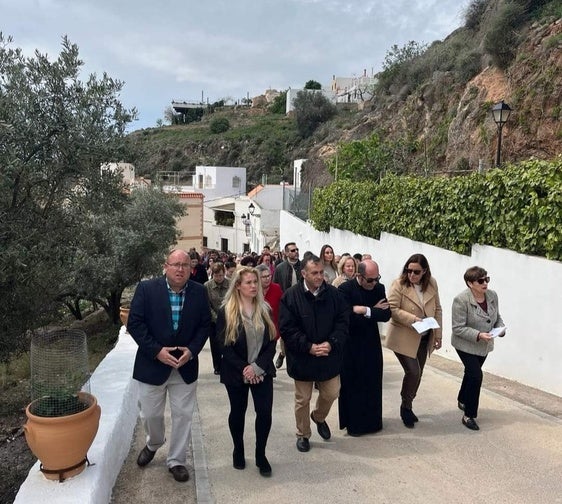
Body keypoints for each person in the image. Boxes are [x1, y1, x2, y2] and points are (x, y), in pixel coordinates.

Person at [127, 249, 211, 482]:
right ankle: (154, 443)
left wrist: (192, 351)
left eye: (185, 264)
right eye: (175, 264)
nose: (180, 269)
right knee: (151, 415)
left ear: (191, 268)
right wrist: (156, 351)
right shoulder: (147, 289)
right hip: (152, 365)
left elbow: (205, 325)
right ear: (166, 266)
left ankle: (176, 460)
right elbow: (135, 323)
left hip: (184, 367)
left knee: (183, 416)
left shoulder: (199, 291)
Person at [279, 254, 349, 452]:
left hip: (329, 356)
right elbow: (287, 329)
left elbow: (343, 322)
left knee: (332, 392)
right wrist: (308, 346)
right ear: (303, 274)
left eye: (321, 272)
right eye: (314, 273)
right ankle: (303, 434)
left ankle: (318, 417)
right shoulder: (291, 296)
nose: (320, 277)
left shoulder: (334, 295)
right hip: (302, 357)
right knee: (303, 399)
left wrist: (331, 343)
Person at [216, 266, 277, 476]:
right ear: (238, 286)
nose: (253, 286)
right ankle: (238, 450)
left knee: (265, 413)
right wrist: (245, 368)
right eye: (248, 282)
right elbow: (224, 347)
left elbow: (271, 343)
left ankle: (261, 455)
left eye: (255, 282)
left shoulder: (265, 309)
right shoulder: (227, 311)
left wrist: (257, 367)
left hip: (261, 371)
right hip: (236, 372)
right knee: (238, 412)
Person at [385, 254, 442, 428]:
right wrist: (413, 319)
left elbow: (438, 308)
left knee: (419, 372)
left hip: (424, 337)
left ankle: (408, 404)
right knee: (413, 371)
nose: (412, 275)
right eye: (408, 270)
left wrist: (438, 334)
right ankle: (406, 406)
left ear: (424, 271)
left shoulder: (432, 283)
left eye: (416, 272)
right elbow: (392, 308)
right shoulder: (399, 284)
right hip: (404, 335)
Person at [337, 260, 391, 436]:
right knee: (352, 384)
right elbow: (346, 318)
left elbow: (385, 314)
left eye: (377, 279)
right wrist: (369, 311)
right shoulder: (345, 290)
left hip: (371, 342)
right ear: (359, 276)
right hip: (351, 344)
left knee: (372, 382)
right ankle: (354, 425)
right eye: (370, 280)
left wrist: (364, 310)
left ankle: (373, 422)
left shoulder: (379, 288)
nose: (374, 283)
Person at [452, 266, 506, 431]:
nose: (485, 283)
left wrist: (501, 328)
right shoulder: (461, 300)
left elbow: (497, 317)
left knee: (471, 373)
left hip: (484, 345)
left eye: (486, 279)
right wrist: (479, 334)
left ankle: (462, 398)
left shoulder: (492, 295)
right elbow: (458, 328)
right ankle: (469, 415)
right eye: (481, 281)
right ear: (470, 283)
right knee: (476, 376)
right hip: (465, 345)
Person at [272, 242, 302, 369]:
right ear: (286, 253)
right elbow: (275, 285)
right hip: (285, 305)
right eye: (293, 250)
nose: (296, 252)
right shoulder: (280, 268)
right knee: (285, 331)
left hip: (301, 304)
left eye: (297, 249)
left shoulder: (304, 266)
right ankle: (283, 353)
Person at [204, 262, 230, 375]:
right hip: (214, 321)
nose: (219, 278)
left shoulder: (230, 284)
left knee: (229, 342)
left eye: (221, 275)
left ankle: (229, 363)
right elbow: (206, 305)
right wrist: (217, 318)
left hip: (229, 318)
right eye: (216, 276)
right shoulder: (207, 286)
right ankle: (217, 366)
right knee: (215, 344)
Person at [256, 264, 282, 340]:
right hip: (257, 330)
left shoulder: (276, 288)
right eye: (264, 277)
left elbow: (283, 307)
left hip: (274, 329)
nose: (267, 278)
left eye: (269, 275)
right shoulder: (254, 290)